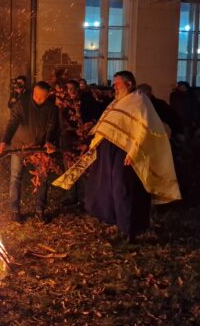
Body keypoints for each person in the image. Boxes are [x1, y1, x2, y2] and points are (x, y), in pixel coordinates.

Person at [54, 71, 180, 242]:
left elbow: (143, 130)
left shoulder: (139, 101)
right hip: (109, 153)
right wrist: (92, 145)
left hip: (126, 155)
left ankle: (129, 231)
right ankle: (118, 224)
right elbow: (107, 127)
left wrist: (133, 152)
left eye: (117, 84)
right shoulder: (118, 102)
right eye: (114, 84)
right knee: (108, 188)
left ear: (129, 84)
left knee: (124, 190)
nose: (114, 87)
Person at [0, 81, 59, 222]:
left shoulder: (52, 108)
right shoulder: (22, 103)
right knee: (16, 177)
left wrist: (48, 141)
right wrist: (3, 142)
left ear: (48, 95)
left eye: (42, 97)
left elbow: (51, 126)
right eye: (36, 96)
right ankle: (14, 210)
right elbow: (12, 123)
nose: (38, 99)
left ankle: (39, 210)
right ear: (33, 92)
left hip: (39, 148)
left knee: (42, 178)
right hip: (20, 145)